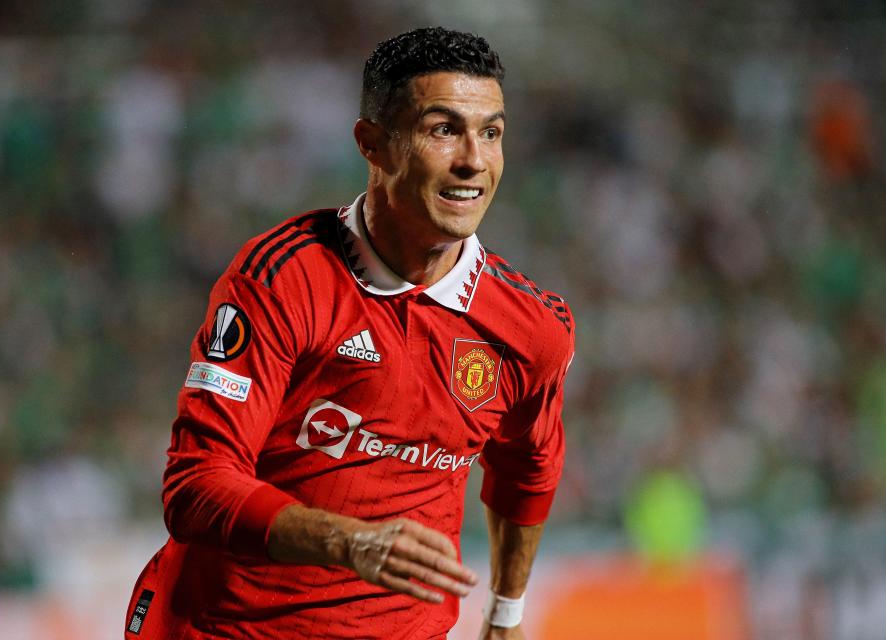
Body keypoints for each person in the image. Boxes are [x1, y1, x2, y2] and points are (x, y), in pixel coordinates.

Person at [125, 26, 575, 639]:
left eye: (490, 132)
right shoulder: (284, 278)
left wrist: (506, 613)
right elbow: (196, 485)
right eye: (443, 129)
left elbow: (528, 466)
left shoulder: (532, 329)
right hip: (226, 628)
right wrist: (349, 542)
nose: (474, 159)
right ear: (374, 145)